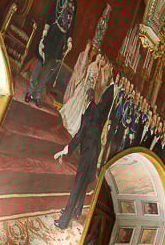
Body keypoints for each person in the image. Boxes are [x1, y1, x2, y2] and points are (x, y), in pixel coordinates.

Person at [53, 61, 114, 228]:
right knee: (82, 182)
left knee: (78, 185)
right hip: (89, 149)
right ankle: (76, 211)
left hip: (90, 151)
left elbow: (82, 132)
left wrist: (66, 150)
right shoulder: (92, 108)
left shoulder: (96, 110)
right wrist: (66, 150)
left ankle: (64, 221)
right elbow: (80, 132)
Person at [27, 0, 83, 107]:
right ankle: (29, 92)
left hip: (61, 39)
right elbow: (52, 11)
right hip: (52, 32)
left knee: (49, 67)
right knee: (41, 61)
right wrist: (45, 30)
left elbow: (72, 24)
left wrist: (69, 40)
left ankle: (37, 95)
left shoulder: (75, 4)